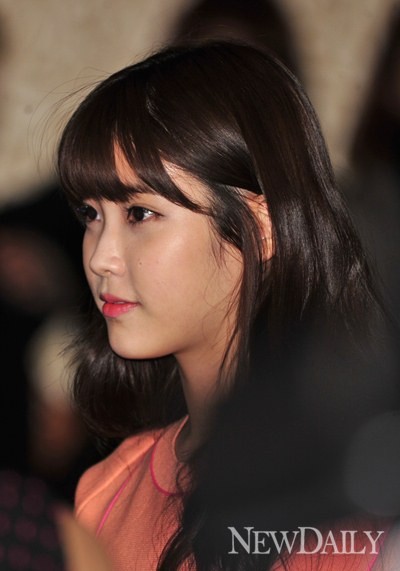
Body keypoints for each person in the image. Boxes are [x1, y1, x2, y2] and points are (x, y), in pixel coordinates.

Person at [56, 41, 398, 570]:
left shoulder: (359, 490)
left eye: (140, 214)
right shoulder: (106, 494)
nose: (101, 257)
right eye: (91, 215)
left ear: (259, 228)